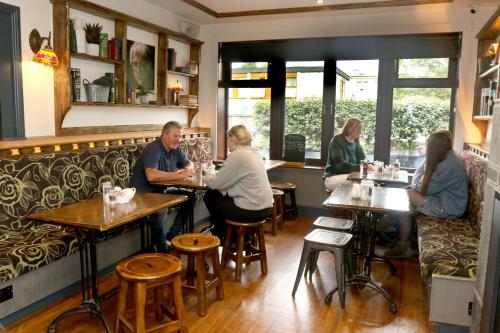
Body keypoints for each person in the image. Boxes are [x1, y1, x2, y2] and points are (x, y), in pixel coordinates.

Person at [384, 130, 468, 258]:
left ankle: (390, 224)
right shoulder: (447, 157)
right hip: (442, 199)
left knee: (405, 195)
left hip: (449, 208)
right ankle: (400, 240)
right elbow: (421, 182)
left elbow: (422, 188)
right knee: (406, 201)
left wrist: (427, 163)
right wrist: (428, 161)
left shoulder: (448, 165)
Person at [132, 121, 195, 252]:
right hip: (143, 195)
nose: (178, 140)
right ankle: (161, 248)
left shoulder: (175, 150)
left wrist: (188, 169)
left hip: (161, 192)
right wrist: (178, 175)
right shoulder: (153, 149)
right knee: (161, 208)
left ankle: (173, 235)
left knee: (190, 198)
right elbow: (151, 176)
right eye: (175, 136)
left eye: (180, 136)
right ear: (164, 135)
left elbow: (189, 164)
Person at [204, 125, 274, 241]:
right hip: (266, 208)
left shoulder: (237, 155)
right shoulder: (255, 153)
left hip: (251, 211)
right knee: (221, 197)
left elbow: (214, 184)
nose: (226, 142)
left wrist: (208, 174)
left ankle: (226, 237)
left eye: (227, 139)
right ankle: (242, 236)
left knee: (211, 196)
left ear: (231, 139)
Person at [323, 117, 373, 191]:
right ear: (350, 128)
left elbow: (363, 160)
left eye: (361, 129)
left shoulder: (356, 142)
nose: (361, 132)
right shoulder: (337, 140)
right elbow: (341, 166)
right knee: (361, 184)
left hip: (349, 175)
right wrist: (363, 167)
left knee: (369, 182)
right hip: (333, 177)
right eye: (359, 129)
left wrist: (370, 165)